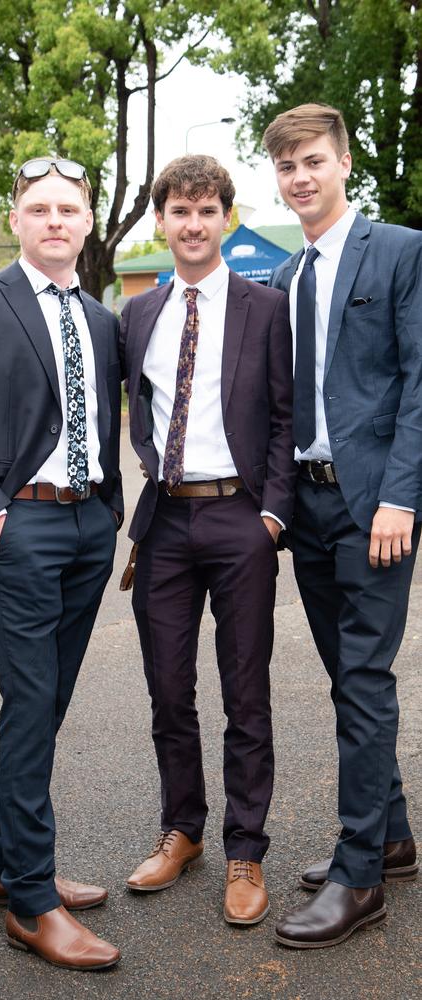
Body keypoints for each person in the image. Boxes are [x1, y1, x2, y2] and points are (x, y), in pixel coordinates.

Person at [0, 157, 122, 970]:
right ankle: (33, 900)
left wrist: (110, 514)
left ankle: (1, 861)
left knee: (48, 705)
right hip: (25, 529)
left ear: (87, 223)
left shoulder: (104, 318)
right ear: (16, 220)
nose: (54, 221)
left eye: (68, 210)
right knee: (29, 701)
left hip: (89, 526)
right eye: (39, 208)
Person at [120, 155, 296, 925]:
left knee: (245, 692)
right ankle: (182, 829)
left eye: (206, 210)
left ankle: (245, 849)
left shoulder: (266, 307)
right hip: (164, 521)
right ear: (161, 220)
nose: (192, 224)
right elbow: (138, 411)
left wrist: (272, 516)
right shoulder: (140, 314)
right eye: (179, 211)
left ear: (225, 216)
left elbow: (290, 419)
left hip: (240, 520)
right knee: (168, 691)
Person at [263, 103, 421, 948]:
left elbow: (420, 381)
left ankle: (361, 877)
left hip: (376, 509)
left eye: (313, 160)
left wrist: (403, 495)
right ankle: (390, 837)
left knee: (364, 682)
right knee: (344, 678)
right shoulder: (288, 277)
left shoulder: (399, 250)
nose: (301, 177)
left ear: (345, 162)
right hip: (311, 508)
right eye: (287, 165)